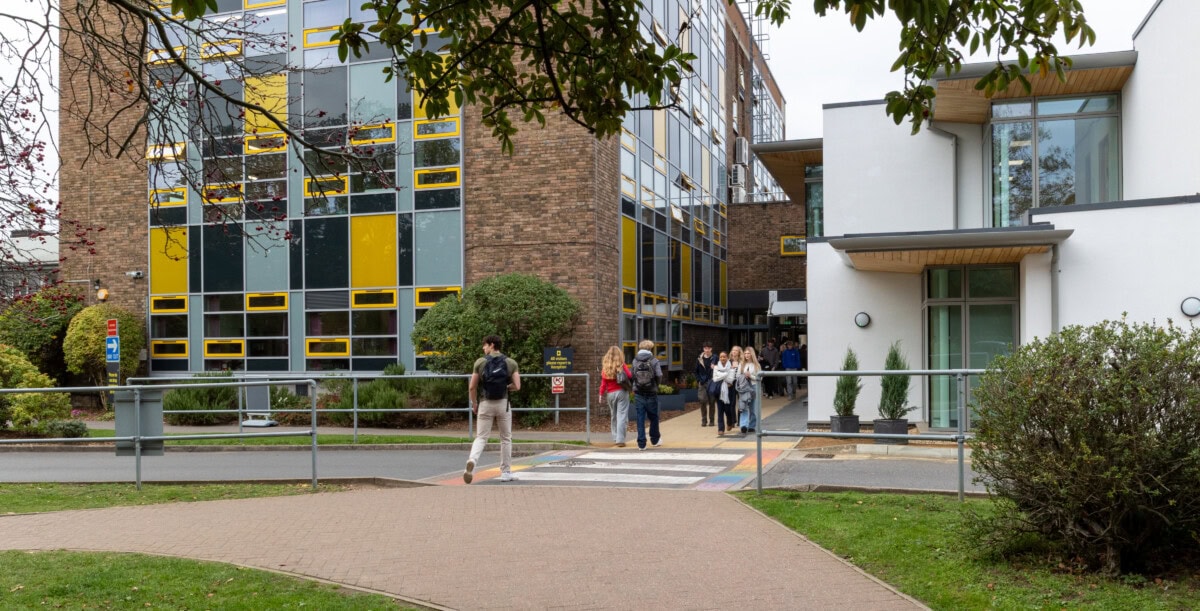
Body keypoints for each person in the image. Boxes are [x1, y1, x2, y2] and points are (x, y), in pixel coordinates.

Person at [463, 335, 521, 484]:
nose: (483, 348)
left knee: (481, 437)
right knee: (506, 438)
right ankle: (506, 472)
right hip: (503, 404)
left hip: (485, 403)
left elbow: (472, 387)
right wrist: (506, 387)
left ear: (492, 345)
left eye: (485, 345)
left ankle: (472, 461)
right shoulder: (510, 362)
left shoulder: (480, 362)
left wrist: (474, 404)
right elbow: (517, 386)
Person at [630, 339, 664, 450]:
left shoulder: (635, 360)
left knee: (640, 418)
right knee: (653, 417)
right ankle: (654, 440)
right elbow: (659, 375)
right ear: (650, 349)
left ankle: (641, 444)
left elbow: (632, 375)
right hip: (651, 392)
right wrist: (656, 385)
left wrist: (635, 385)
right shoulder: (654, 360)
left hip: (639, 393)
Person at [599, 346, 632, 447]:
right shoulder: (621, 365)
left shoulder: (605, 367)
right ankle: (620, 439)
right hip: (622, 392)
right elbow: (629, 376)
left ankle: (615, 437)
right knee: (622, 416)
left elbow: (603, 383)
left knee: (614, 416)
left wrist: (600, 394)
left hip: (610, 394)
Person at [737, 347, 762, 434]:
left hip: (754, 387)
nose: (746, 355)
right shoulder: (741, 364)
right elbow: (737, 376)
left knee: (753, 408)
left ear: (752, 354)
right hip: (744, 388)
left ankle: (752, 425)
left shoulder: (757, 365)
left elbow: (760, 378)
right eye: (745, 353)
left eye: (748, 353)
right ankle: (743, 425)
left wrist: (750, 376)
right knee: (743, 406)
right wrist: (743, 376)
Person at [711, 351, 736, 436]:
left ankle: (730, 422)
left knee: (728, 409)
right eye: (721, 357)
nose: (722, 358)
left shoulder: (732, 367)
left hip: (729, 391)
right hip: (719, 391)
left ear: (727, 358)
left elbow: (730, 380)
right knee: (720, 410)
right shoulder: (716, 367)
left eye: (724, 357)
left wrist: (720, 375)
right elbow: (715, 379)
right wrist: (726, 374)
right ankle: (721, 428)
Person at [694, 341, 716, 427]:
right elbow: (696, 371)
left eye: (709, 348)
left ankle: (712, 420)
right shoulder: (699, 359)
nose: (707, 350)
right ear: (703, 349)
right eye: (705, 348)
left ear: (711, 349)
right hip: (702, 383)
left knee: (712, 402)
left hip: (712, 382)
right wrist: (699, 380)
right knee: (702, 401)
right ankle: (704, 419)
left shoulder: (715, 358)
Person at [726, 345, 743, 429]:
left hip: (740, 383)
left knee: (741, 402)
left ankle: (741, 421)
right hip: (731, 383)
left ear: (739, 352)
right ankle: (732, 421)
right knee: (731, 403)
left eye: (736, 350)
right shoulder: (728, 361)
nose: (734, 352)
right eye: (733, 350)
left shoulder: (742, 362)